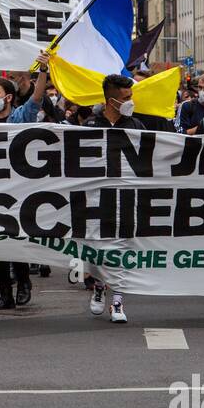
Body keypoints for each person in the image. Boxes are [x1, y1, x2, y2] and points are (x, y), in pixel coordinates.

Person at [79, 73, 153, 324]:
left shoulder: (136, 125)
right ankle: (100, 286)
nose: (131, 101)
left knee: (123, 247)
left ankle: (118, 300)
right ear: (111, 100)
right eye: (126, 98)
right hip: (96, 198)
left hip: (128, 197)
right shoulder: (90, 125)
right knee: (97, 248)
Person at [0, 52, 51, 309]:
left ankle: (23, 283)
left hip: (19, 187)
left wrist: (42, 71)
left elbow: (37, 96)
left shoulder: (20, 116)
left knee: (15, 239)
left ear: (8, 97)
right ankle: (5, 292)